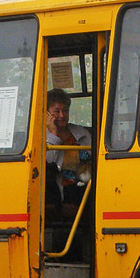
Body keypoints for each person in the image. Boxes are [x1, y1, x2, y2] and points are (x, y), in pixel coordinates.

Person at [44, 89, 91, 221]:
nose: (62, 115)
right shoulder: (42, 135)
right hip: (59, 195)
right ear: (47, 113)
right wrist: (53, 134)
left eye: (65, 110)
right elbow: (47, 163)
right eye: (56, 111)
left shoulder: (80, 133)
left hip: (84, 188)